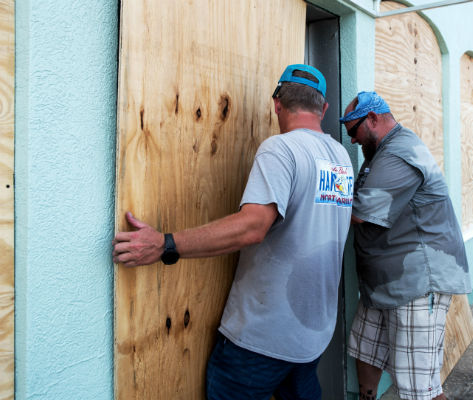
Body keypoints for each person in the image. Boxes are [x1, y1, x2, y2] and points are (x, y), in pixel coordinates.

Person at [113, 64, 354, 400]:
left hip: (261, 340)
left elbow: (253, 226)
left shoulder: (281, 149)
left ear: (277, 104)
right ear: (324, 108)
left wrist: (166, 244)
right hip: (311, 337)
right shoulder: (341, 157)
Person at [340, 91, 471, 400]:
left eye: (353, 131)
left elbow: (360, 211)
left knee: (418, 387)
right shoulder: (381, 153)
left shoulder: (399, 153)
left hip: (416, 283)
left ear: (372, 119)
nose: (353, 140)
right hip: (386, 284)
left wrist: (313, 195)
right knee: (366, 348)